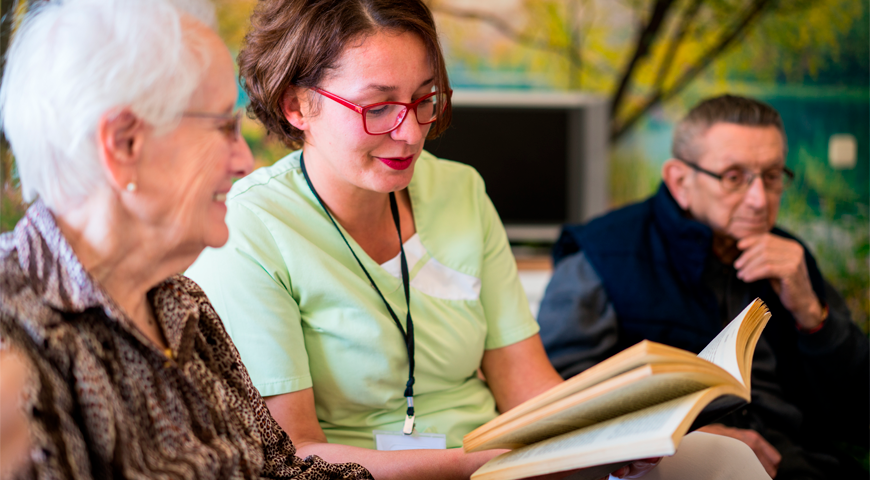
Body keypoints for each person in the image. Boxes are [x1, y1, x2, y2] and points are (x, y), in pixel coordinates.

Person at [186, 2, 770, 479]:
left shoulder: (459, 190)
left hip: (507, 464)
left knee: (724, 460)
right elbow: (295, 455)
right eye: (378, 106)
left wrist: (610, 433)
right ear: (297, 105)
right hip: (388, 473)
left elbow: (525, 382)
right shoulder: (251, 229)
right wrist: (495, 460)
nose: (411, 132)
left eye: (423, 98)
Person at [0, 0, 374, 478]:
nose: (245, 161)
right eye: (222, 127)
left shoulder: (181, 302)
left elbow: (279, 470)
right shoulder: (17, 336)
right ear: (124, 145)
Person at [537, 94, 870, 479]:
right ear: (680, 181)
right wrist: (699, 439)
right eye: (734, 177)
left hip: (800, 465)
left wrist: (813, 316)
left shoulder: (792, 259)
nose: (759, 199)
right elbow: (558, 398)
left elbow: (856, 412)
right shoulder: (602, 254)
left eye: (773, 176)